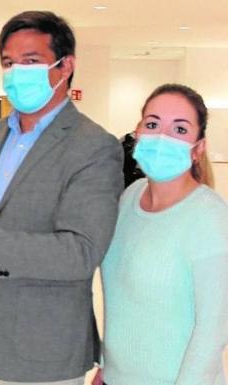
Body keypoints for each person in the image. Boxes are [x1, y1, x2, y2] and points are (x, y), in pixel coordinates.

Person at [0, 11, 124, 385]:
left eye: (31, 61)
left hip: (40, 353)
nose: (16, 73)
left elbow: (80, 253)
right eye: (8, 63)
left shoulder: (94, 147)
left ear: (66, 67)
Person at [96, 84, 228, 385]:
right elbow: (122, 301)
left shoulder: (210, 217)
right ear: (137, 133)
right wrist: (106, 365)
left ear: (199, 148)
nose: (162, 137)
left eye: (180, 129)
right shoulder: (130, 197)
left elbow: (214, 329)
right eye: (152, 124)